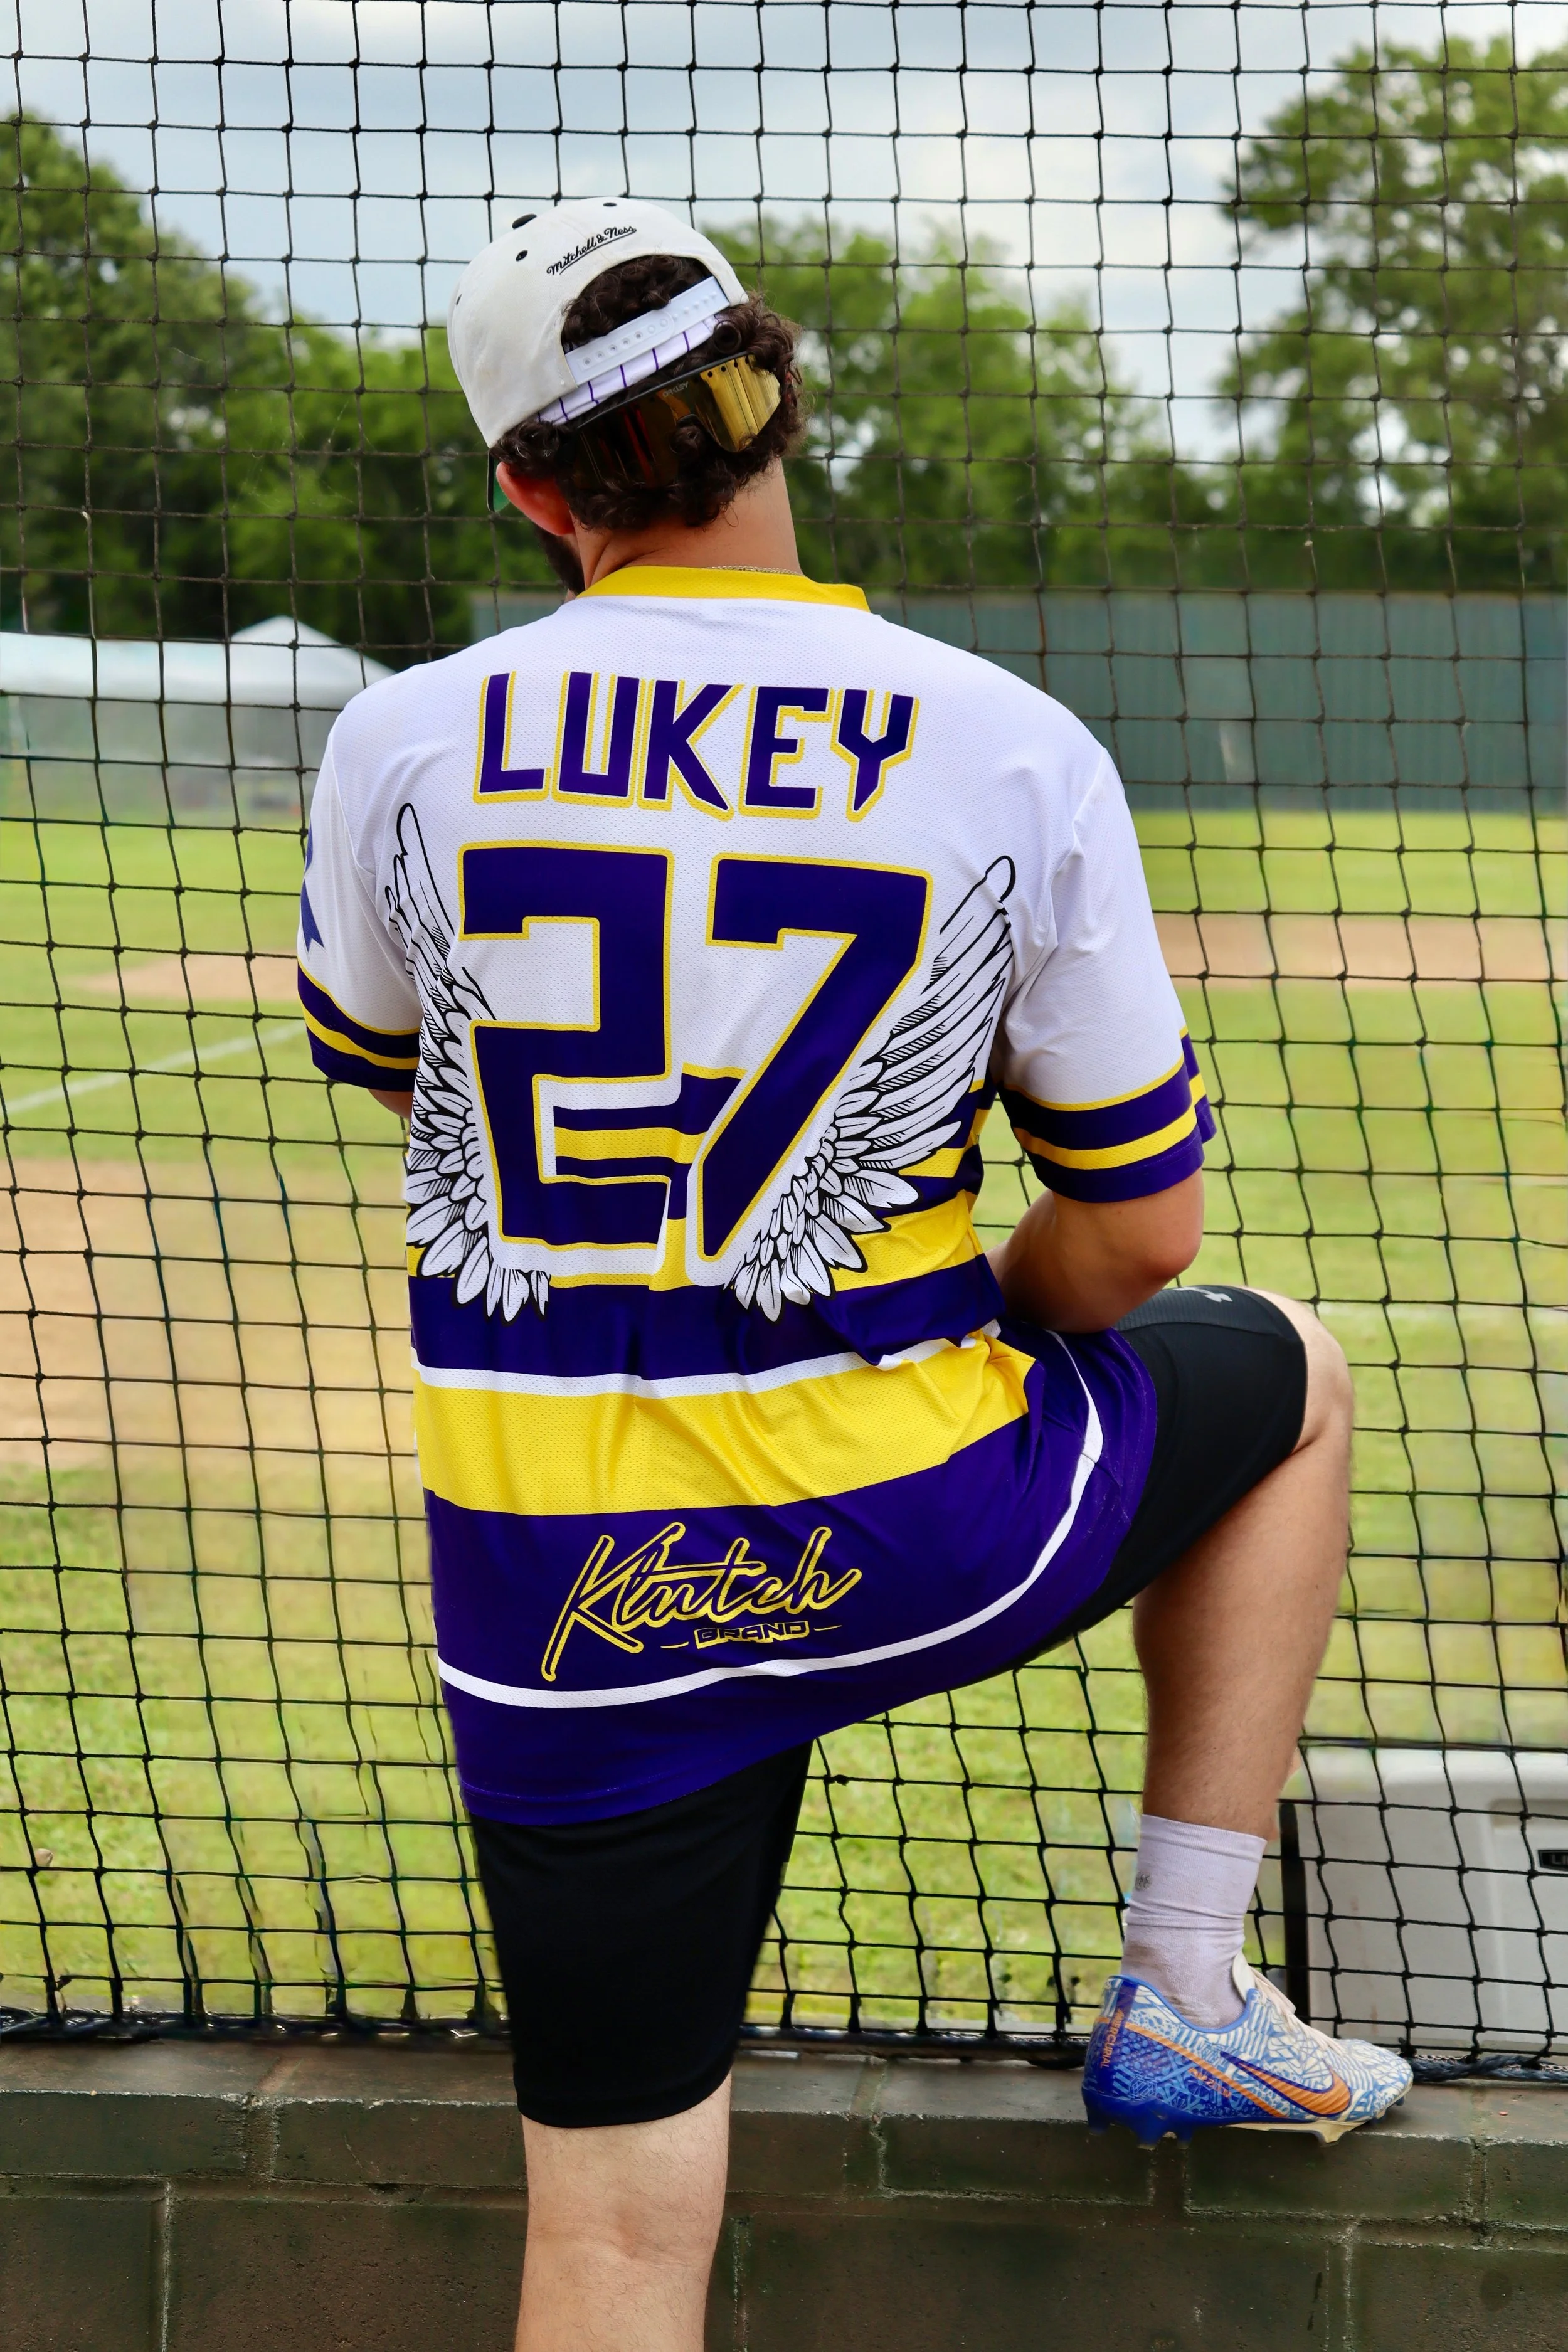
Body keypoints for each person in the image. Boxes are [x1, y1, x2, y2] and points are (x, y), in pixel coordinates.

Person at [295, 198, 1411, 2352]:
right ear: (778, 398)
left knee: (609, 2246)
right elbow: (1138, 1237)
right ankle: (1185, 1980)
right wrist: (997, 1292)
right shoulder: (1003, 739)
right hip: (918, 1527)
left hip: (563, 1598)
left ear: (533, 485)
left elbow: (407, 1073)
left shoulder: (402, 738)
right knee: (1284, 1364)